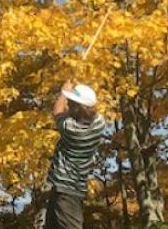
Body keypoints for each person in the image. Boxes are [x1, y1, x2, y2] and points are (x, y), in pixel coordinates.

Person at [44, 80, 105, 229]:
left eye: (71, 103)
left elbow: (58, 110)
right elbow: (74, 110)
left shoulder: (69, 128)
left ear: (75, 109)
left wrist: (65, 90)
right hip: (69, 187)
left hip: (66, 191)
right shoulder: (99, 124)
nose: (68, 105)